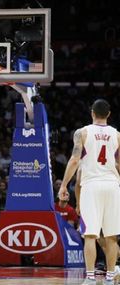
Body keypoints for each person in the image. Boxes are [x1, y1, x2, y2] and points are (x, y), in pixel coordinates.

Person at [58, 99, 120, 285]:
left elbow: (75, 160)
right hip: (112, 185)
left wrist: (63, 185)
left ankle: (91, 278)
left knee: (90, 235)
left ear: (92, 113)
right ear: (108, 114)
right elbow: (118, 164)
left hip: (91, 186)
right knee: (111, 236)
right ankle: (110, 278)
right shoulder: (117, 135)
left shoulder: (82, 132)